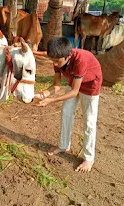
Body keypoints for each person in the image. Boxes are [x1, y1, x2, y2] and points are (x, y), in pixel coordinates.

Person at [35, 37, 102, 173]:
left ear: (68, 56)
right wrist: (42, 95)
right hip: (74, 82)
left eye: (57, 61)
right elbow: (57, 85)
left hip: (90, 85)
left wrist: (51, 101)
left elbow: (74, 92)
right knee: (66, 112)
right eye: (52, 60)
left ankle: (89, 158)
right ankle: (64, 145)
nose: (55, 63)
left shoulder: (80, 60)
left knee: (89, 121)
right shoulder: (57, 57)